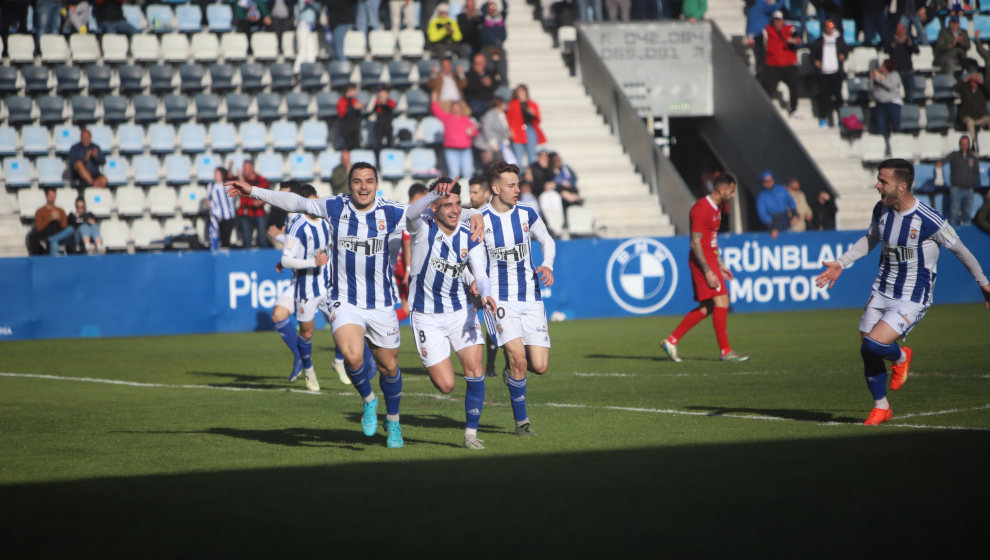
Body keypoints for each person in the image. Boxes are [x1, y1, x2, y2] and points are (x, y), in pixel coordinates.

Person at [226, 163, 483, 448]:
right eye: (358, 181)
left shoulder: (390, 211)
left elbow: (439, 212)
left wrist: (476, 216)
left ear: (376, 184)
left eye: (369, 181)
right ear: (349, 185)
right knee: (352, 356)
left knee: (389, 367)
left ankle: (394, 421)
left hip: (382, 303)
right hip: (344, 299)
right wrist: (254, 192)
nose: (363, 186)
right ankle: (369, 400)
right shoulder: (336, 207)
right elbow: (297, 202)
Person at [815, 158, 990, 425]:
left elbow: (962, 251)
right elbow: (870, 239)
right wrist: (841, 263)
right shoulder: (882, 209)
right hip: (881, 290)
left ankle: (901, 355)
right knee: (867, 349)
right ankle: (881, 407)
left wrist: (983, 283)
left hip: (912, 298)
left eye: (883, 181)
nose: (877, 185)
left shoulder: (929, 220)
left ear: (902, 186)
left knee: (876, 344)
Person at [406, 177, 497, 448]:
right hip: (427, 316)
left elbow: (479, 270)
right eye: (447, 204)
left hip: (460, 311)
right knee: (446, 385)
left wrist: (485, 290)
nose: (455, 210)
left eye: (458, 204)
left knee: (475, 369)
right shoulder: (422, 229)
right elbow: (411, 212)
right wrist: (434, 193)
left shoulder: (470, 233)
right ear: (434, 207)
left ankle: (470, 434)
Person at [478, 161, 557, 437]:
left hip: (530, 298)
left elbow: (547, 241)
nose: (518, 190)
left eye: (518, 184)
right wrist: (477, 287)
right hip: (498, 301)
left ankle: (512, 372)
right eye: (511, 185)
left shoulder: (527, 213)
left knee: (540, 366)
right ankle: (522, 424)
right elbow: (472, 260)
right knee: (519, 359)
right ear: (496, 188)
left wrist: (547, 264)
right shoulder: (480, 219)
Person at [662, 174, 749, 363]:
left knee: (709, 306)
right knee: (722, 300)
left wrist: (720, 264)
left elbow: (712, 241)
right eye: (732, 191)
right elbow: (695, 242)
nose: (733, 195)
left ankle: (672, 340)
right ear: (721, 190)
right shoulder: (702, 208)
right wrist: (708, 270)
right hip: (702, 261)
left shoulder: (717, 209)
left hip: (710, 259)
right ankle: (725, 351)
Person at [762, 11, 803, 119]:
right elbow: (758, 38)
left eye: (779, 20)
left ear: (783, 21)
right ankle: (765, 109)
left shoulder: (790, 29)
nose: (777, 23)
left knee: (794, 87)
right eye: (775, 20)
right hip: (773, 64)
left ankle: (793, 109)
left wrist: (793, 40)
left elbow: (798, 39)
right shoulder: (767, 30)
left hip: (788, 64)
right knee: (769, 88)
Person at [431, 91, 478, 179]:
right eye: (454, 108)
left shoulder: (466, 119)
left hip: (465, 150)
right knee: (454, 174)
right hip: (451, 150)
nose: (456, 109)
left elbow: (475, 131)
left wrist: (472, 131)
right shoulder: (447, 118)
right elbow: (437, 111)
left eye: (458, 107)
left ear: (461, 109)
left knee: (468, 174)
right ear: (451, 109)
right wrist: (434, 100)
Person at [811, 19, 848, 128]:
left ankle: (841, 119)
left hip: (836, 73)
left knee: (838, 97)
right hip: (823, 73)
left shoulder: (839, 40)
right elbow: (812, 54)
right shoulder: (819, 41)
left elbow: (845, 51)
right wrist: (815, 61)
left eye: (831, 26)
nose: (829, 29)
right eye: (827, 26)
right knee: (824, 97)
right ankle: (823, 118)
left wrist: (843, 56)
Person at [939, 135, 980, 226]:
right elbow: (942, 161)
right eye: (962, 144)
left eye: (966, 144)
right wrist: (939, 164)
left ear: (968, 145)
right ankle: (952, 235)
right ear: (960, 144)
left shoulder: (973, 158)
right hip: (956, 189)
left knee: (967, 214)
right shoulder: (954, 155)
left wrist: (971, 181)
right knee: (954, 213)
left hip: (969, 189)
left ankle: (967, 235)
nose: (964, 146)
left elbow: (977, 173)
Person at [506, 84, 546, 169]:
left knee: (532, 154)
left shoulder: (532, 104)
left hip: (529, 129)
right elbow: (509, 119)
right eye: (518, 91)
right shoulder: (512, 104)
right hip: (517, 130)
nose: (520, 93)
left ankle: (532, 174)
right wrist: (510, 130)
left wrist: (533, 114)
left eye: (522, 91)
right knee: (518, 155)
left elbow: (538, 119)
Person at [26, 188, 73, 256]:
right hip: (46, 234)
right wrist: (49, 219)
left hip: (58, 234)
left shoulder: (60, 211)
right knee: (53, 242)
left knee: (71, 229)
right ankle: (52, 241)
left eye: (54, 197)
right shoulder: (40, 211)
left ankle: (52, 240)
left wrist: (59, 219)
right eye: (50, 197)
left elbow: (65, 227)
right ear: (46, 197)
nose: (52, 199)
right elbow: (39, 228)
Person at [235, 160, 271, 248]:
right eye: (243, 168)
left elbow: (268, 195)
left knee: (262, 239)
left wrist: (261, 202)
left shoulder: (261, 180)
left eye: (246, 168)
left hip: (259, 213)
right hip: (245, 213)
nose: (244, 170)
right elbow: (227, 177)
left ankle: (264, 257)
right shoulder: (242, 179)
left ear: (252, 168)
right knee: (246, 240)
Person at [885, 22, 919, 105]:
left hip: (908, 71)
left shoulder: (908, 41)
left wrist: (910, 44)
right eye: (898, 30)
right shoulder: (892, 40)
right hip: (896, 72)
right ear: (896, 31)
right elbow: (886, 50)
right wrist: (895, 43)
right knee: (895, 94)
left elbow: (917, 51)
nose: (900, 32)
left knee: (910, 95)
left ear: (905, 30)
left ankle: (910, 112)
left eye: (902, 30)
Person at [955, 72, 990, 152]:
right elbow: (956, 88)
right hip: (968, 117)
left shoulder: (982, 91)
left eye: (975, 81)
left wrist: (982, 82)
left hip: (980, 117)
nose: (973, 83)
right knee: (970, 122)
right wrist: (966, 79)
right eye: (972, 81)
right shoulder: (965, 90)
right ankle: (974, 144)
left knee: (989, 119)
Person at [756, 170, 797, 238]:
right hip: (773, 225)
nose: (769, 183)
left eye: (770, 180)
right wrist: (771, 228)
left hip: (786, 222)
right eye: (766, 181)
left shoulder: (781, 189)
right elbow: (762, 213)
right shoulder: (762, 196)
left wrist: (795, 214)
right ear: (763, 183)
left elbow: (791, 201)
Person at [870, 59, 903, 138]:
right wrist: (871, 79)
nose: (881, 68)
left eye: (883, 66)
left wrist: (880, 79)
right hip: (881, 104)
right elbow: (872, 89)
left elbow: (890, 86)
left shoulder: (894, 75)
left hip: (893, 104)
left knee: (896, 128)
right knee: (880, 128)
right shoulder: (880, 76)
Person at [207, 167, 237, 249]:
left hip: (229, 216)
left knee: (226, 239)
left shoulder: (228, 185)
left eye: (217, 173)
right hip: (217, 216)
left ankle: (226, 257)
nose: (215, 176)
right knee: (217, 238)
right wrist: (208, 204)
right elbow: (208, 199)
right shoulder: (211, 186)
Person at [474, 97, 510, 167]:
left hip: (499, 144)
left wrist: (505, 139)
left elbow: (503, 130)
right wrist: (493, 142)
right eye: (504, 103)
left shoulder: (502, 115)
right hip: (486, 144)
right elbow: (486, 129)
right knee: (488, 163)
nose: (505, 105)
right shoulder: (490, 114)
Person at [464, 52, 498, 119]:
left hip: (488, 100)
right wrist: (481, 82)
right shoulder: (469, 74)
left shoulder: (490, 73)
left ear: (485, 64)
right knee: (477, 109)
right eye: (477, 63)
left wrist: (490, 84)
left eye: (480, 63)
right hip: (476, 100)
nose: (478, 65)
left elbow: (495, 85)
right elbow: (469, 88)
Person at [337, 84, 365, 151]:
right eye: (353, 90)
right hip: (346, 129)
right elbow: (342, 113)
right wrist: (353, 107)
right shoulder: (342, 101)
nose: (355, 92)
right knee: (347, 147)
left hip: (355, 128)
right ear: (348, 91)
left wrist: (359, 107)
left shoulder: (354, 100)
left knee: (356, 147)